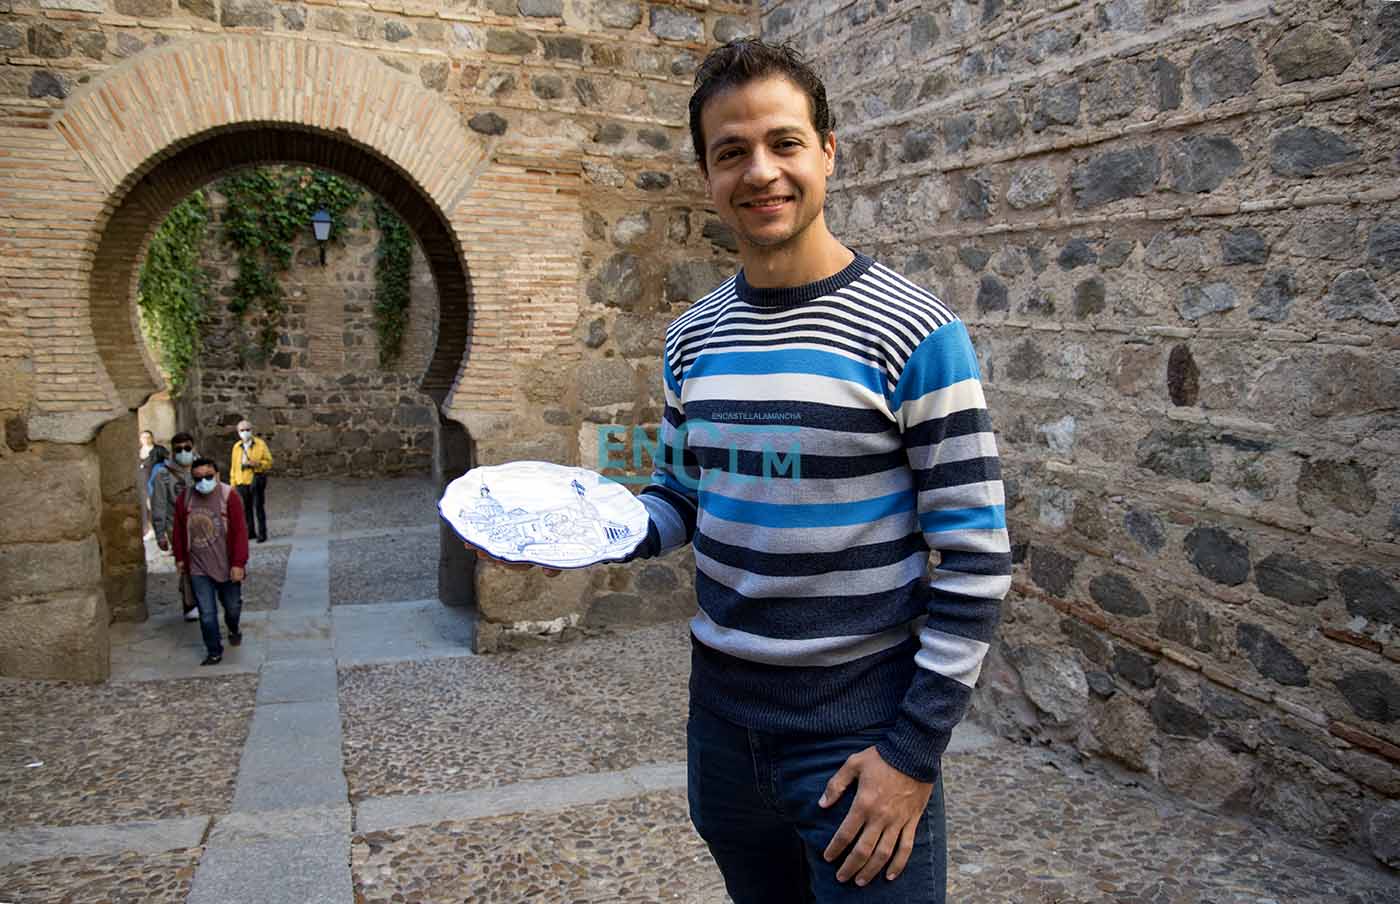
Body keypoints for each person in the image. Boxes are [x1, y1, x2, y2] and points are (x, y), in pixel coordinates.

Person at [472, 38, 1009, 903]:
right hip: (721, 733)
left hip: (858, 737)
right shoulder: (695, 336)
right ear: (706, 173)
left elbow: (978, 559)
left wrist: (912, 755)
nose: (761, 172)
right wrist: (584, 539)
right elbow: (682, 496)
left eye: (784, 143)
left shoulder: (916, 333)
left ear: (828, 151)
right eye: (732, 152)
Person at [171, 457, 248, 666]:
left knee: (232, 607)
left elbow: (240, 531)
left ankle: (233, 628)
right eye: (198, 478)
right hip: (198, 566)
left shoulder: (228, 496)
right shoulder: (185, 499)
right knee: (206, 613)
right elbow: (178, 530)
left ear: (216, 475)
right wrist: (179, 557)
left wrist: (239, 563)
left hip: (226, 564)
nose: (203, 481)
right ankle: (214, 651)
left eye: (208, 477)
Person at [151, 431, 201, 621]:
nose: (183, 452)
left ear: (193, 447)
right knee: (187, 565)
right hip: (177, 527)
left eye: (187, 448)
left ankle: (203, 597)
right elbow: (159, 504)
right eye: (179, 449)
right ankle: (190, 603)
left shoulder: (202, 468)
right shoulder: (163, 475)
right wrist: (160, 534)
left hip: (202, 523)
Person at [229, 417, 273, 544]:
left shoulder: (260, 444)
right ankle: (250, 532)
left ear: (252, 430)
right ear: (238, 432)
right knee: (246, 508)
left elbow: (269, 462)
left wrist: (257, 463)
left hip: (255, 479)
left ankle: (262, 533)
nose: (245, 432)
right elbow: (233, 466)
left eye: (247, 429)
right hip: (241, 481)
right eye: (242, 430)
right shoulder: (236, 446)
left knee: (258, 507)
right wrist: (233, 483)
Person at [137, 429, 157, 538]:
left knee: (153, 505)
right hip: (142, 483)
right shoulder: (139, 451)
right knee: (145, 507)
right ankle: (148, 529)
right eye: (143, 437)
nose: (146, 439)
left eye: (148, 437)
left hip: (153, 482)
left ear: (152, 438)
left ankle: (156, 529)